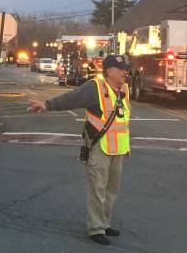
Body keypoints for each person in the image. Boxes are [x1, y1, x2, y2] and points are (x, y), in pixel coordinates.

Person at [28, 55, 131, 246]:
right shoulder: (95, 87)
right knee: (97, 189)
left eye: (126, 68)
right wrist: (47, 105)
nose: (126, 71)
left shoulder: (121, 90)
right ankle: (96, 228)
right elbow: (72, 98)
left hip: (117, 149)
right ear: (109, 71)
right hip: (100, 148)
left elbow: (121, 121)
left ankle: (104, 223)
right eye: (122, 68)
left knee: (111, 190)